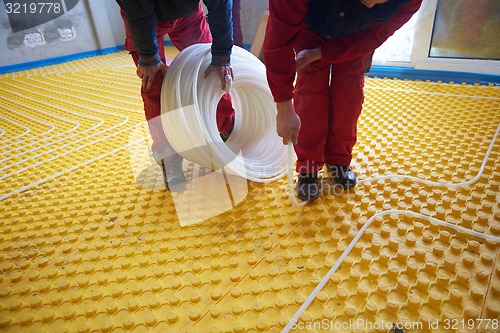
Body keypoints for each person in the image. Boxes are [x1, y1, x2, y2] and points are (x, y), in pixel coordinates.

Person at [263, 0, 422, 200]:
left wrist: (324, 53)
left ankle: (339, 159)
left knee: (350, 93)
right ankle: (308, 167)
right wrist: (284, 105)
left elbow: (377, 34)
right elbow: (278, 41)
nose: (372, 5)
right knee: (310, 90)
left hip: (360, 33)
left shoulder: (411, 1)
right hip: (311, 24)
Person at [116, 0, 235, 190]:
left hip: (189, 15)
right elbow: (139, 10)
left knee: (211, 71)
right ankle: (167, 155)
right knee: (154, 83)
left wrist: (221, 56)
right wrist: (148, 57)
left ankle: (227, 127)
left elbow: (221, 6)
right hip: (144, 20)